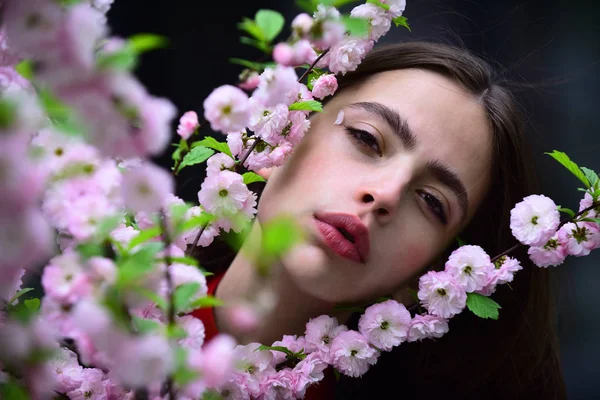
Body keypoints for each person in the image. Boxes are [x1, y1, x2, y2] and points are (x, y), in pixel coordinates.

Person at [191, 41, 567, 399]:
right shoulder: (133, 289)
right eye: (366, 139)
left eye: (432, 202)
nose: (386, 193)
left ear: (434, 273)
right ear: (285, 132)